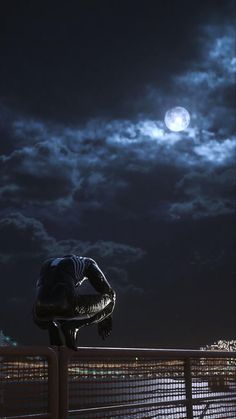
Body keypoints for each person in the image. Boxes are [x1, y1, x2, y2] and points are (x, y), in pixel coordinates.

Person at [33, 254, 116, 350]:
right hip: (66, 305)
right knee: (111, 296)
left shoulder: (48, 263)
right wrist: (105, 318)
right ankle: (74, 326)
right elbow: (106, 290)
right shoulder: (87, 262)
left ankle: (52, 327)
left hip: (39, 312)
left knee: (54, 307)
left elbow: (47, 297)